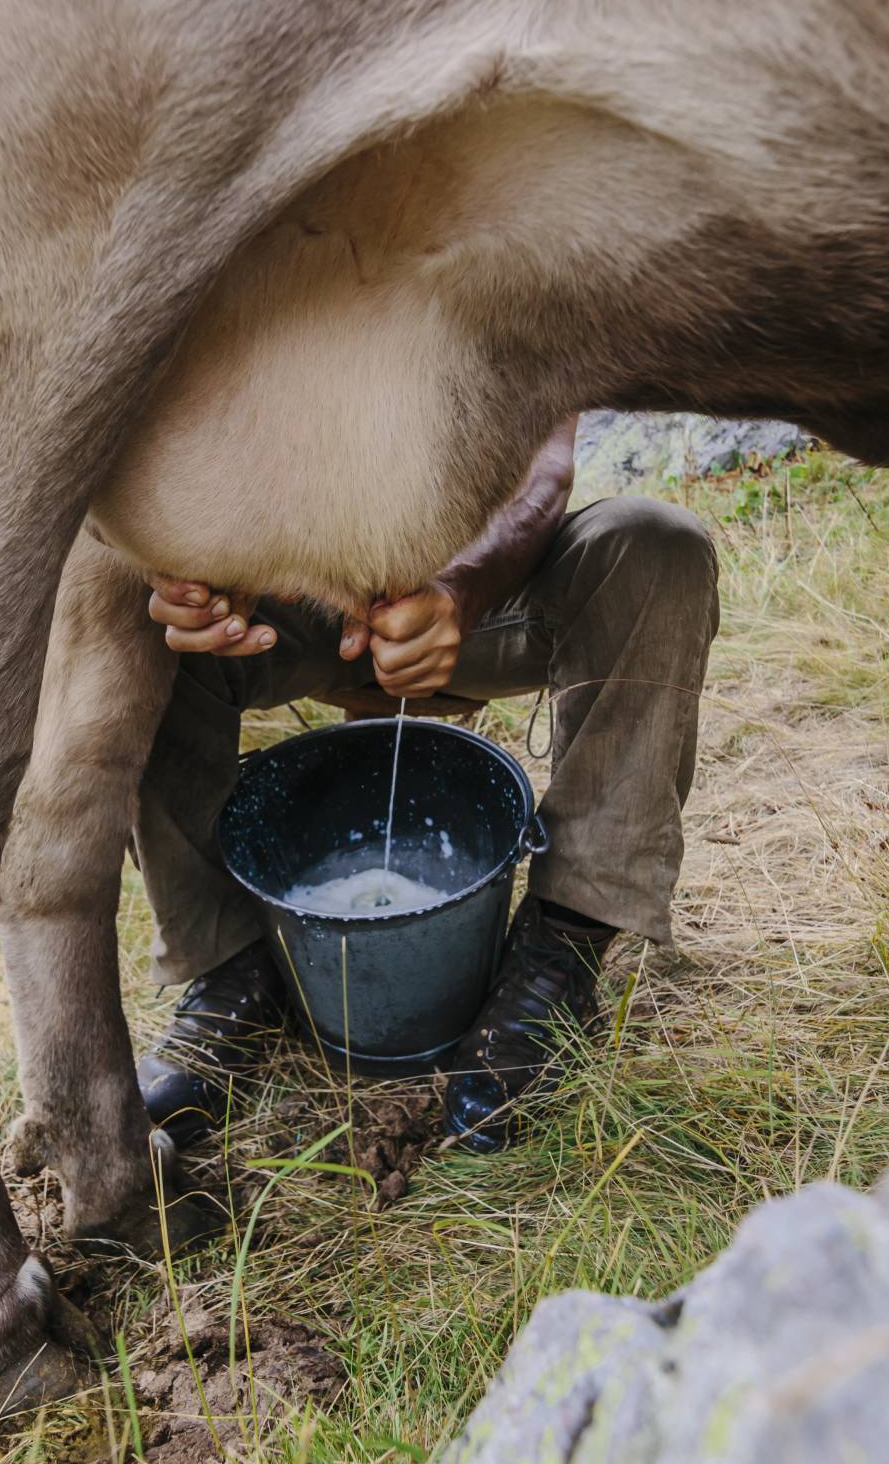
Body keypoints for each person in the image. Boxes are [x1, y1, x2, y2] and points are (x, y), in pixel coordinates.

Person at [132, 416, 720, 1151]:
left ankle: (559, 955)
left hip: (482, 589)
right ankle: (234, 969)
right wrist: (204, 574)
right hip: (295, 595)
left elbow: (542, 465)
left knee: (658, 546)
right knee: (125, 607)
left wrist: (459, 592)